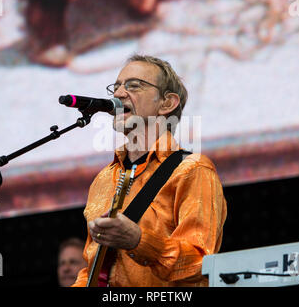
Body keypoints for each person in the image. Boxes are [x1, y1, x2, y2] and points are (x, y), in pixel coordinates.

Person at [72, 54, 227, 287]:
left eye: (134, 85)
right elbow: (92, 268)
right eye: (116, 87)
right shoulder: (103, 179)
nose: (118, 94)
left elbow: (201, 263)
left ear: (167, 103)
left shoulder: (193, 170)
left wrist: (139, 241)